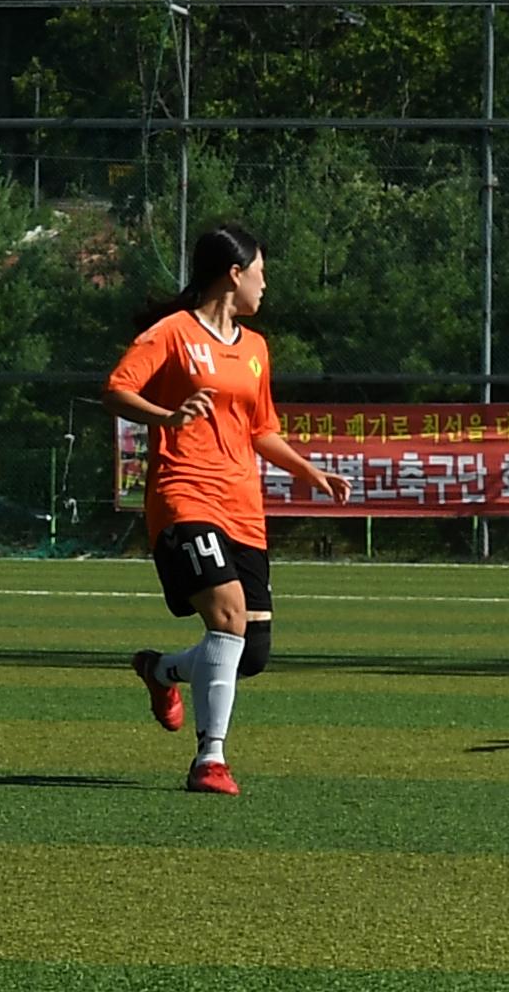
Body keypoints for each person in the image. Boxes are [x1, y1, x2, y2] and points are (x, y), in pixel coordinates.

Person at [104, 223, 355, 795]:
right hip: (185, 494)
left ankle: (162, 669)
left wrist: (308, 470)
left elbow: (262, 428)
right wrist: (166, 419)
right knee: (227, 618)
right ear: (234, 274)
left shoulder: (257, 349)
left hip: (244, 507)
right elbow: (117, 389)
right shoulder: (171, 333)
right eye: (261, 273)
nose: (266, 287)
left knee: (252, 653)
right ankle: (209, 760)